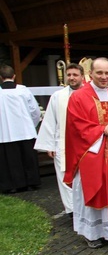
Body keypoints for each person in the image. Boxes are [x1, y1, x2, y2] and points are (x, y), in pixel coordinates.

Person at [64, 57, 108, 249]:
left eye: (107, 73)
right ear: (91, 74)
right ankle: (92, 233)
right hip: (90, 151)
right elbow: (77, 125)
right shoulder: (79, 96)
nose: (104, 77)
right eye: (100, 73)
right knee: (91, 188)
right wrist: (102, 130)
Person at [34, 63, 84, 214]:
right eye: (69, 75)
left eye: (75, 75)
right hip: (63, 143)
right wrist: (49, 145)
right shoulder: (58, 96)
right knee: (64, 176)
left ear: (82, 76)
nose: (71, 78)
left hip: (83, 144)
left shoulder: (89, 94)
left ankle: (84, 208)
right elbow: (50, 120)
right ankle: (71, 210)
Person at [0, 64, 41, 194]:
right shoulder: (23, 90)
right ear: (14, 76)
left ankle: (13, 185)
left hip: (6, 132)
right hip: (26, 130)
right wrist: (32, 125)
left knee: (10, 160)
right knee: (28, 158)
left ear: (1, 78)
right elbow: (35, 110)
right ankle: (31, 183)